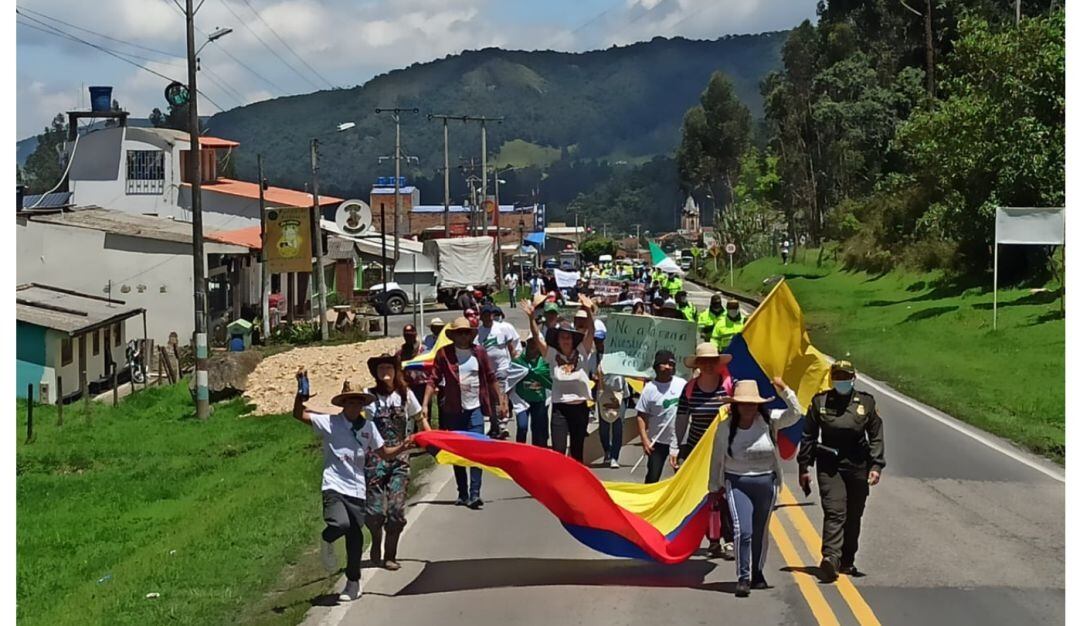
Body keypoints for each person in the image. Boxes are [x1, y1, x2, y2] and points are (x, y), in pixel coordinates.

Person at [291, 369, 413, 602]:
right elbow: (299, 415)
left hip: (357, 488)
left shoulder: (368, 428)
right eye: (350, 401)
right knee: (340, 523)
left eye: (358, 401)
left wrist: (403, 446)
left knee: (355, 537)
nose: (355, 405)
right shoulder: (330, 423)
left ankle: (353, 582)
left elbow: (384, 453)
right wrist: (301, 392)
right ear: (343, 403)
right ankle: (327, 539)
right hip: (334, 484)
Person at [708, 378, 804, 598]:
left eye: (752, 403)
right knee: (744, 530)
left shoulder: (770, 420)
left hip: (766, 482)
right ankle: (743, 577)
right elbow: (716, 458)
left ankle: (757, 572)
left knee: (760, 532)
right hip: (737, 481)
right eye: (743, 403)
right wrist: (714, 488)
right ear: (736, 405)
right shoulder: (725, 427)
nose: (748, 407)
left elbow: (796, 413)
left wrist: (785, 389)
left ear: (759, 404)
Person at [798, 360, 885, 583]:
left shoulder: (866, 402)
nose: (842, 381)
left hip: (858, 464)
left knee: (853, 514)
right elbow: (808, 435)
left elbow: (875, 436)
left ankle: (847, 560)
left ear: (853, 378)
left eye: (846, 377)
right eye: (838, 376)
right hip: (830, 465)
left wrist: (876, 466)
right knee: (835, 510)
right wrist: (804, 466)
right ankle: (831, 558)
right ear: (832, 378)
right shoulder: (820, 402)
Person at [422, 317, 503, 509]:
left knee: (477, 452)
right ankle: (462, 492)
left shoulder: (479, 353)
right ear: (453, 335)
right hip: (453, 409)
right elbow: (433, 379)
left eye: (466, 332)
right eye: (459, 332)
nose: (463, 336)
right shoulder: (444, 354)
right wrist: (425, 404)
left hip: (475, 408)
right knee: (457, 453)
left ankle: (475, 493)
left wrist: (499, 402)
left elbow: (491, 377)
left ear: (471, 335)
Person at [363, 354, 429, 571]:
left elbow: (420, 418)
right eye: (380, 368)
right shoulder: (368, 396)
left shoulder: (405, 395)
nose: (385, 372)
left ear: (395, 370)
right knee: (374, 513)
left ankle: (390, 554)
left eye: (388, 367)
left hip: (400, 458)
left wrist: (432, 439)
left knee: (396, 511)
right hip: (375, 458)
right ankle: (375, 540)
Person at [675, 343, 736, 560]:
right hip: (696, 452)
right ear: (698, 364)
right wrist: (678, 449)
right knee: (703, 498)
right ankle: (712, 540)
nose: (709, 365)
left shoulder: (730, 386)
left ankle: (728, 539)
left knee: (725, 496)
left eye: (713, 361)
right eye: (704, 361)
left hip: (724, 450)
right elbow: (682, 419)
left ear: (718, 363)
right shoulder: (690, 389)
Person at [521, 294, 596, 463]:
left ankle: (576, 486)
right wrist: (532, 317)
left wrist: (589, 310)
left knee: (577, 452)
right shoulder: (551, 354)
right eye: (562, 337)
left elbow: (591, 331)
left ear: (573, 338)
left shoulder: (583, 351)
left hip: (579, 408)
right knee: (559, 452)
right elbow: (537, 336)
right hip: (559, 409)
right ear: (558, 340)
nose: (566, 340)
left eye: (568, 337)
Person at [635, 350, 686, 484]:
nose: (668, 367)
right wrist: (644, 440)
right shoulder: (649, 389)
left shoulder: (682, 384)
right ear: (657, 366)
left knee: (681, 477)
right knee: (653, 476)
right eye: (665, 364)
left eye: (671, 364)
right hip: (657, 442)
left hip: (680, 440)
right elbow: (641, 415)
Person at [476, 303, 521, 439]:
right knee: (489, 399)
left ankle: (501, 425)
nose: (488, 317)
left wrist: (515, 363)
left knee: (499, 397)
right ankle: (494, 425)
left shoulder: (502, 329)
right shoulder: (479, 333)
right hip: (486, 371)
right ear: (481, 316)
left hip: (502, 368)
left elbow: (510, 348)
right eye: (485, 314)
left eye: (490, 314)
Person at [511, 334, 552, 446]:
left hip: (539, 400)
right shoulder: (518, 361)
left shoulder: (545, 362)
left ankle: (537, 455)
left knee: (538, 429)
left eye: (536, 342)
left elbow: (551, 380)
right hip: (522, 401)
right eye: (531, 342)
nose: (533, 345)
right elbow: (510, 379)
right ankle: (520, 452)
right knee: (522, 426)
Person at [595, 328, 627, 468]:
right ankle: (607, 452)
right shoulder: (593, 356)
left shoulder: (618, 355)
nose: (599, 343)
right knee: (603, 427)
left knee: (618, 427)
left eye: (601, 340)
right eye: (596, 340)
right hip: (603, 395)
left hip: (619, 394)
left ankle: (615, 456)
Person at [396, 324, 428, 402]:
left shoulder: (424, 350)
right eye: (406, 335)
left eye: (411, 334)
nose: (408, 337)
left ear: (415, 334)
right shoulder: (400, 353)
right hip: (407, 386)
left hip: (423, 385)